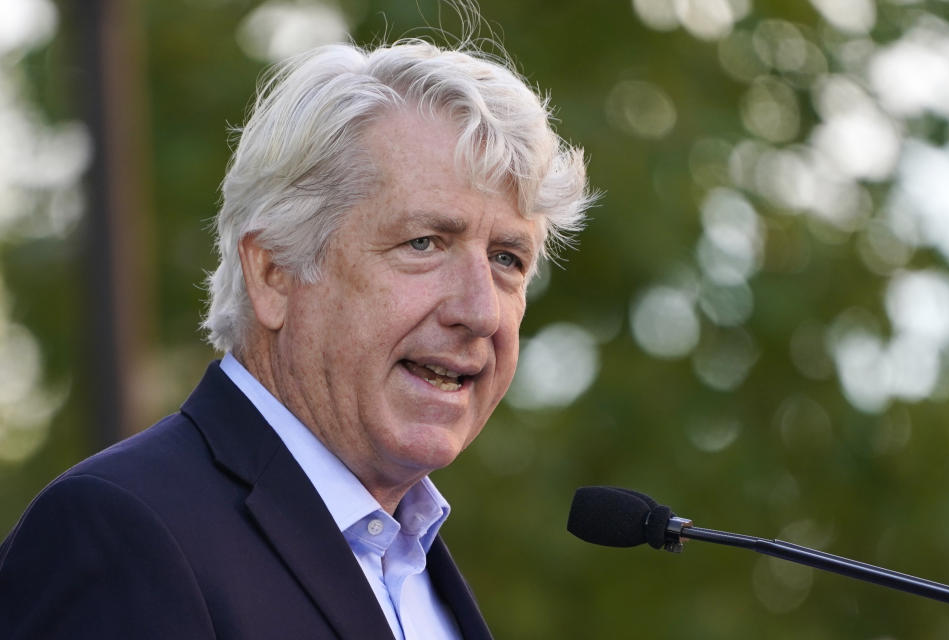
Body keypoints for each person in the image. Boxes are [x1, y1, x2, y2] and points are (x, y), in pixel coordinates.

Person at [0, 36, 592, 639]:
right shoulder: (118, 533)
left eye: (508, 259)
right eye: (424, 243)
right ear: (274, 272)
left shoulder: (415, 569)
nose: (481, 311)